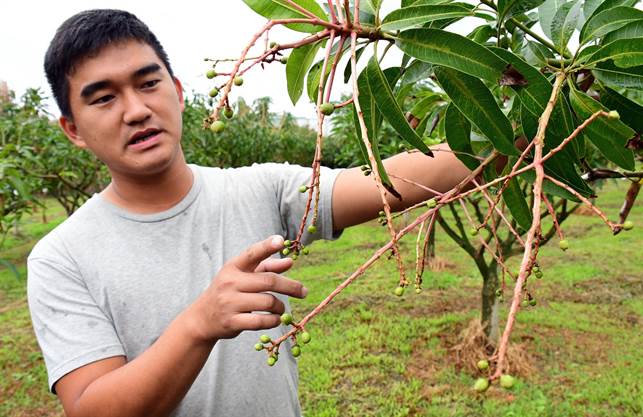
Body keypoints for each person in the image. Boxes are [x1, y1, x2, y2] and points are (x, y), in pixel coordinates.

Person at [27, 9, 472, 417]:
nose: (137, 110)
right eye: (104, 98)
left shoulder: (261, 188)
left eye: (148, 83)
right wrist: (199, 324)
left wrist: (516, 130)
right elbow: (91, 409)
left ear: (178, 93)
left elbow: (390, 180)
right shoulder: (60, 258)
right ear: (73, 129)